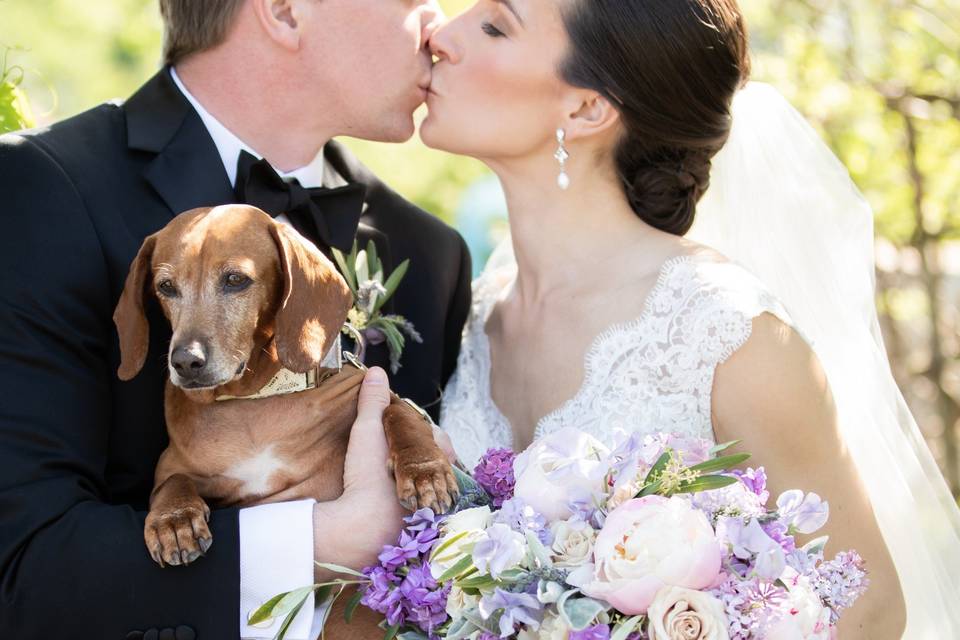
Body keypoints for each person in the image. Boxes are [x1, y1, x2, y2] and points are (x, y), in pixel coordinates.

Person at [429, 0, 957, 636]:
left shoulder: (726, 331)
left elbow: (868, 607)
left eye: (494, 25)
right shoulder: (473, 310)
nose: (439, 32)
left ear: (587, 108)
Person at [0, 0, 472, 638]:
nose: (440, 25)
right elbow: (24, 566)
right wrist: (325, 538)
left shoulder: (430, 253)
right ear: (284, 12)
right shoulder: (41, 186)